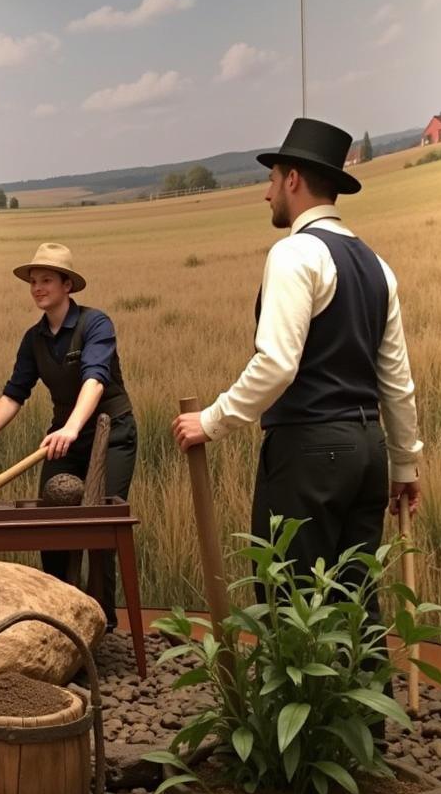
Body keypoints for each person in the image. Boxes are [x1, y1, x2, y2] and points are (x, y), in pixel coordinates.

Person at [172, 117, 422, 596]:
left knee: (291, 601)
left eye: (271, 180)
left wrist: (212, 420)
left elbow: (277, 363)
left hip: (310, 452)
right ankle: (366, 677)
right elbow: (397, 381)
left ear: (293, 180)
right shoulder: (377, 266)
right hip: (369, 454)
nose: (267, 194)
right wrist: (404, 466)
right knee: (354, 606)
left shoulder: (295, 254)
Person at [0, 242, 138, 629]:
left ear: (67, 285)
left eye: (46, 281)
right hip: (63, 436)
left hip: (110, 433)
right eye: (33, 282)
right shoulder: (34, 338)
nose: (38, 288)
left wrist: (73, 428)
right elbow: (15, 392)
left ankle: (102, 619)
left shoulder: (96, 323)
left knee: (101, 521)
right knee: (51, 524)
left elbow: (94, 380)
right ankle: (61, 619)